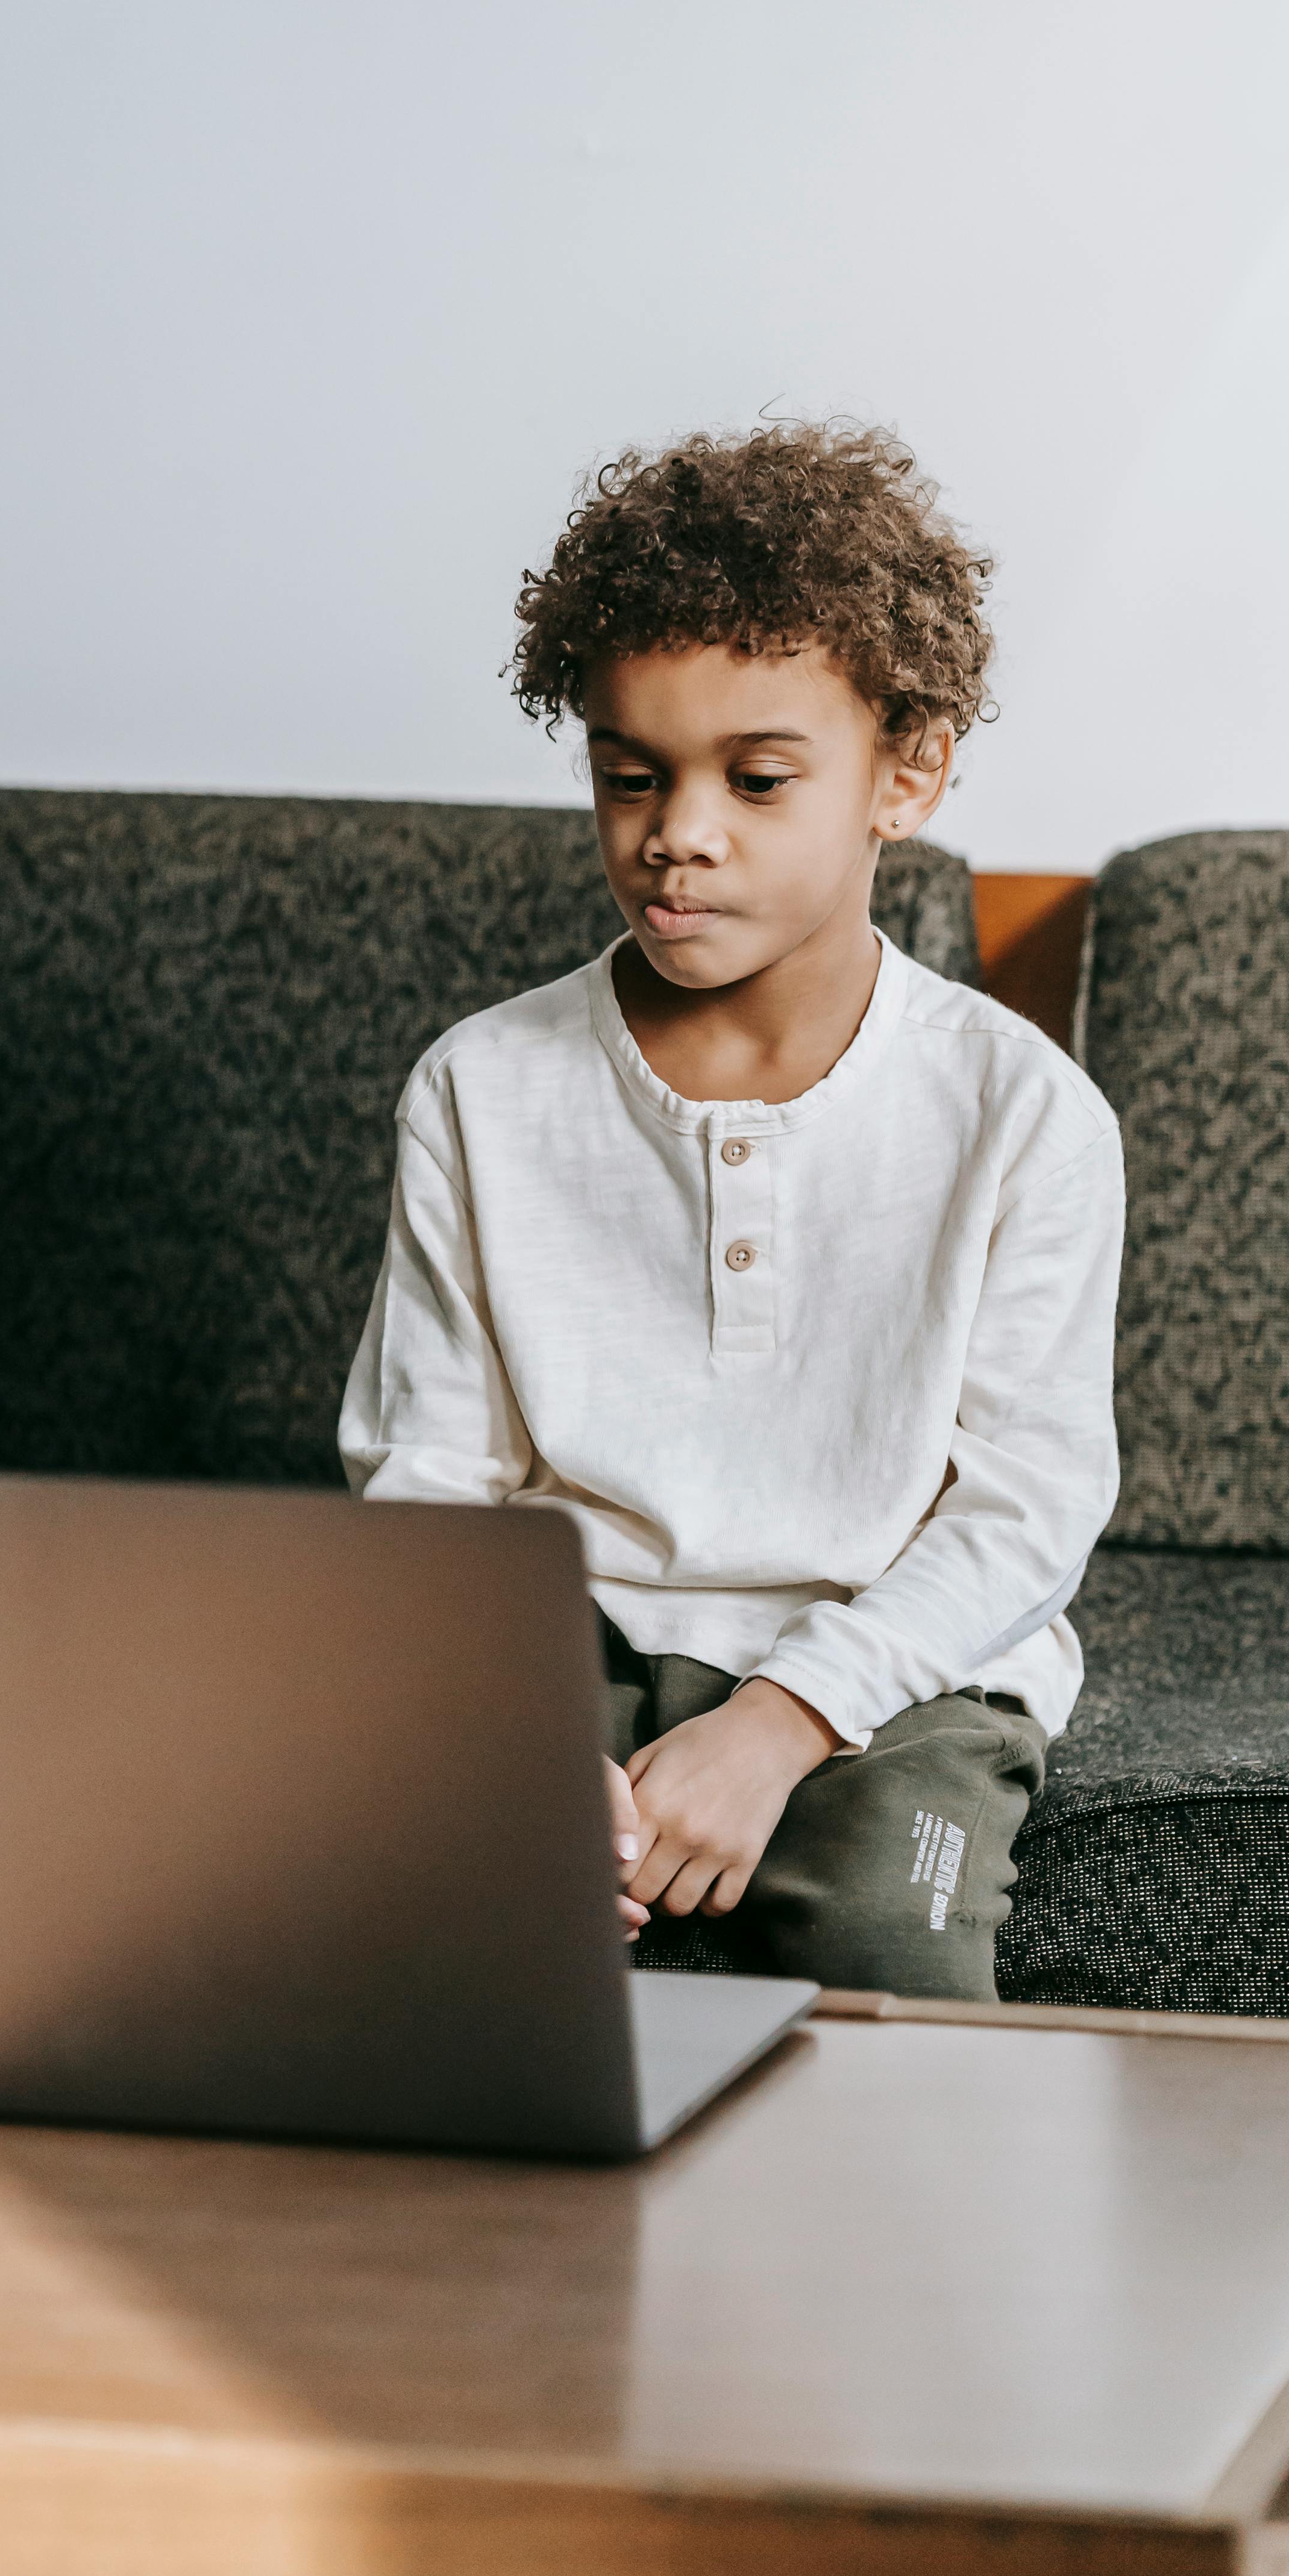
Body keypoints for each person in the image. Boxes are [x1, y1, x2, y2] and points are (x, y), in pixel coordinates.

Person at [338, 423, 1122, 1996]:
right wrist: (507, 1747)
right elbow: (426, 1477)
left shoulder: (1021, 1113)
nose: (676, 832)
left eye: (757, 780)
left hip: (898, 1675)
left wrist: (779, 1726)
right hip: (552, 1653)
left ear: (908, 773)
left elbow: (1022, 1513)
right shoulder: (480, 1090)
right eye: (631, 776)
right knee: (408, 1922)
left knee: (886, 1944)